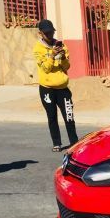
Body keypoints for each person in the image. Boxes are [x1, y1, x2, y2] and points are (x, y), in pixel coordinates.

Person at [34, 19, 78, 152]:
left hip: (62, 88)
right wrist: (52, 55)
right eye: (47, 33)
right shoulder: (38, 49)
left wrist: (63, 57)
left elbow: (67, 66)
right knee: (52, 116)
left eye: (51, 32)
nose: (50, 35)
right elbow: (46, 68)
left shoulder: (61, 45)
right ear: (40, 33)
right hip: (47, 89)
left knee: (69, 116)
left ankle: (74, 143)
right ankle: (57, 143)